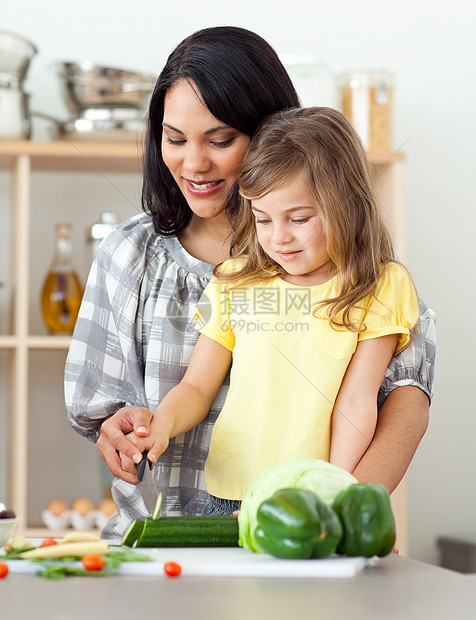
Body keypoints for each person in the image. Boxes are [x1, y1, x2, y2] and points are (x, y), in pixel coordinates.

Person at [64, 27, 435, 537]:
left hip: (304, 519)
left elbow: (401, 399)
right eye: (174, 139)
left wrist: (339, 513)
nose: (193, 163)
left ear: (271, 134)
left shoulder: (369, 276)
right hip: (163, 537)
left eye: (220, 140)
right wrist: (132, 426)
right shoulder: (156, 261)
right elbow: (164, 393)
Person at [124, 106, 420, 515]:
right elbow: (195, 387)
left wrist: (332, 495)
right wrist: (161, 425)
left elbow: (357, 402)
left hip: (308, 498)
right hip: (228, 493)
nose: (278, 238)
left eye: (298, 219)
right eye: (262, 219)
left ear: (347, 204)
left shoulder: (379, 285)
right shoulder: (235, 280)